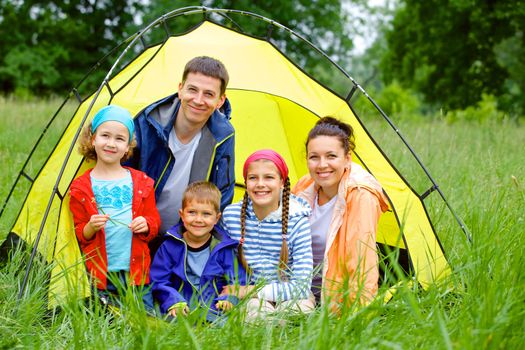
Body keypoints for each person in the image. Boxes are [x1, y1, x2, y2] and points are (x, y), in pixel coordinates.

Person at [126, 56, 235, 246]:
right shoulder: (148, 122)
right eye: (192, 90)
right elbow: (122, 174)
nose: (198, 100)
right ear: (180, 89)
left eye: (209, 94)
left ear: (220, 100)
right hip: (136, 231)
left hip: (186, 239)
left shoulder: (223, 135)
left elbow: (222, 195)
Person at [69, 105, 161, 312]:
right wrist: (91, 227)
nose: (111, 143)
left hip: (136, 273)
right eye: (105, 136)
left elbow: (154, 221)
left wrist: (145, 224)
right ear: (93, 139)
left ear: (128, 146)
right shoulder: (80, 187)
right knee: (105, 319)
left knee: (143, 319)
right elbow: (80, 233)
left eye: (120, 139)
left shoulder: (142, 182)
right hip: (100, 274)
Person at [292, 116, 389, 312]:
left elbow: (361, 261)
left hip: (334, 300)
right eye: (314, 157)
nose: (322, 165)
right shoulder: (304, 187)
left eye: (331, 156)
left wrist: (357, 314)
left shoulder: (360, 195)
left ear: (347, 158)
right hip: (295, 289)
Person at [221, 150, 314, 321]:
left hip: (291, 294)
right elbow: (223, 264)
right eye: (253, 178)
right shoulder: (231, 216)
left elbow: (301, 286)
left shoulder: (297, 221)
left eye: (269, 177)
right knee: (257, 314)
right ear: (246, 182)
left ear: (282, 183)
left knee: (298, 311)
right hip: (249, 297)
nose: (260, 184)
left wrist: (249, 290)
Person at [150, 181, 247, 321]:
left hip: (214, 309)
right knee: (171, 328)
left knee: (220, 329)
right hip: (180, 309)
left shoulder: (223, 248)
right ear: (182, 215)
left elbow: (237, 280)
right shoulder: (170, 246)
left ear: (217, 218)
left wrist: (229, 298)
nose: (198, 219)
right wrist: (173, 301)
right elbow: (158, 280)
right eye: (192, 212)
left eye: (206, 214)